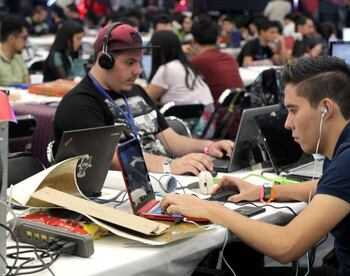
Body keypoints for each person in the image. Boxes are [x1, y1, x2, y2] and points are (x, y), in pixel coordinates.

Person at [161, 56, 350, 275]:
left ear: (326, 109)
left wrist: (210, 209)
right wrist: (262, 192)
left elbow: (286, 247)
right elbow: (327, 187)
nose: (287, 123)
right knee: (243, 261)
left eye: (293, 110)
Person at [53, 22, 233, 176]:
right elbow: (109, 159)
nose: (138, 70)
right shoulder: (80, 103)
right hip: (121, 195)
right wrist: (169, 165)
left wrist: (209, 147)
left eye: (139, 62)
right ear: (104, 60)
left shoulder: (136, 91)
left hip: (161, 180)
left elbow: (171, 140)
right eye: (130, 62)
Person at [147, 30, 213, 108]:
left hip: (189, 117)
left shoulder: (166, 69)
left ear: (157, 50)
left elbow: (147, 99)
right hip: (207, 115)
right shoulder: (187, 66)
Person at [190, 18, 244, 103]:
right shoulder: (229, 58)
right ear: (217, 39)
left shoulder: (197, 61)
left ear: (193, 40)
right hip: (238, 110)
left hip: (217, 113)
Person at [0, 15, 30, 86]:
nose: (27, 42)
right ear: (11, 38)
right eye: (24, 38)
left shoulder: (19, 56)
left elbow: (27, 82)